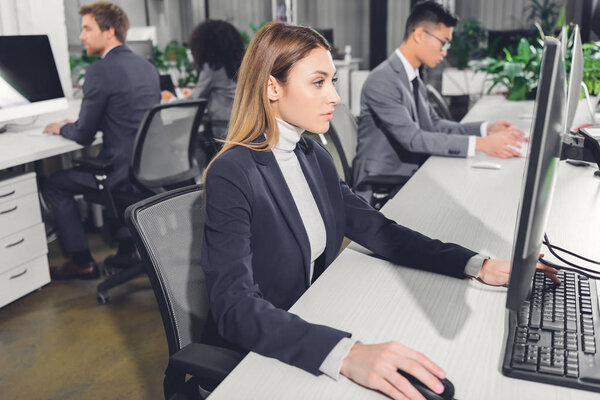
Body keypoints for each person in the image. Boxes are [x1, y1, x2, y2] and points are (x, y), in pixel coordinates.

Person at [200, 22, 559, 400]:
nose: (335, 97)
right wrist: (346, 354)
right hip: (260, 356)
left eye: (333, 81)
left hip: (308, 319)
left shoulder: (311, 155)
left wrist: (476, 264)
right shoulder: (233, 172)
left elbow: (380, 231)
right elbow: (234, 306)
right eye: (319, 82)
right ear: (273, 87)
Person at [353, 1, 527, 202]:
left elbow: (434, 125)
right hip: (383, 183)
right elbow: (413, 139)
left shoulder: (412, 75)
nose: (445, 51)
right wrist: (482, 144)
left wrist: (485, 129)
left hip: (408, 172)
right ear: (419, 35)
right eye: (443, 42)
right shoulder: (383, 79)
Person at [43, 1, 160, 279]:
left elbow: (83, 135)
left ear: (109, 31)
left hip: (120, 174)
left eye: (87, 28)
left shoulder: (100, 71)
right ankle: (126, 250)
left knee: (55, 185)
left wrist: (62, 128)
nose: (81, 36)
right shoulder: (147, 67)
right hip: (150, 171)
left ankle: (81, 261)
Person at [161, 19, 244, 141]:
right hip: (240, 125)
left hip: (223, 128)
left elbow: (195, 100)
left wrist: (171, 99)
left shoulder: (213, 67)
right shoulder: (237, 65)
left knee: (181, 140)